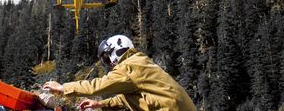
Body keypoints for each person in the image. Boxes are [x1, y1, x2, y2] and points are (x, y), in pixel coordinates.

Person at [43, 35, 196, 111]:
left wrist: (63, 88)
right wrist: (100, 104)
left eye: (107, 58)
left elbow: (97, 86)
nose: (109, 64)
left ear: (116, 52)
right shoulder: (139, 62)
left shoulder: (129, 67)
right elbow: (130, 99)